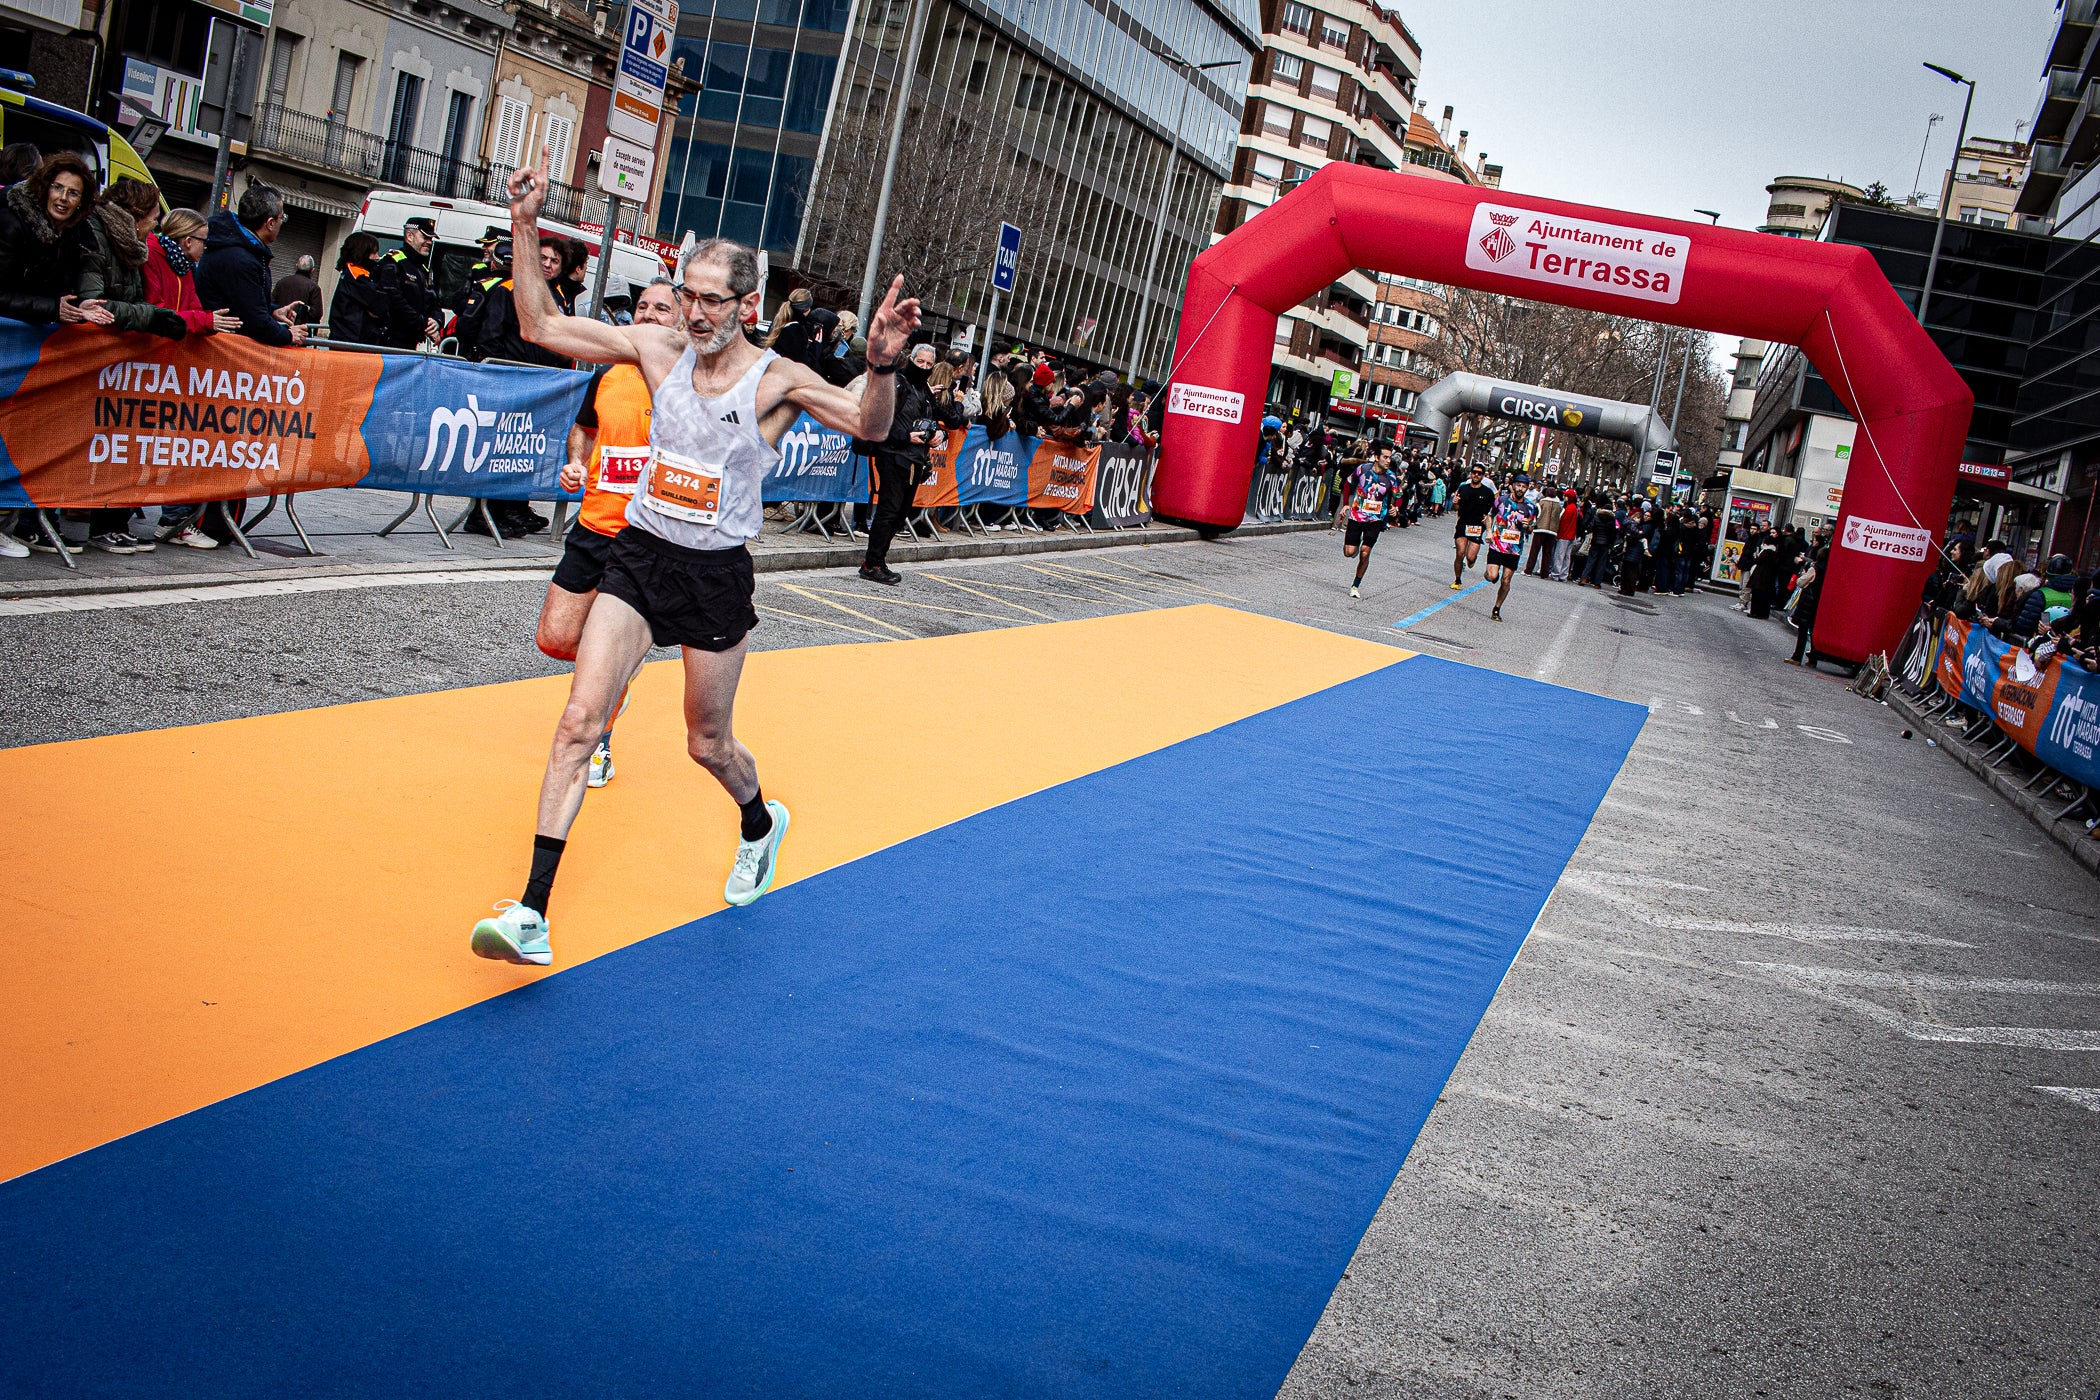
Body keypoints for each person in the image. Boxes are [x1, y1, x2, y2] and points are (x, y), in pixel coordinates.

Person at [466, 154, 920, 967]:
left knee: (706, 744)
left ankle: (758, 822)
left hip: (715, 574)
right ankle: (531, 913)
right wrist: (526, 226)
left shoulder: (777, 377)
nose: (697, 310)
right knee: (579, 721)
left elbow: (868, 425)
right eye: (688, 291)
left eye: (714, 298)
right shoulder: (654, 346)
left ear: (748, 303)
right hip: (639, 557)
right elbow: (541, 328)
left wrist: (882, 362)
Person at [542, 277, 684, 788]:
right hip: (592, 525)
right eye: (642, 306)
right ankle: (613, 675)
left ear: (682, 320)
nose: (647, 315)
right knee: (556, 638)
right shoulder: (609, 371)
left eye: (661, 309)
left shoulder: (687, 381)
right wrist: (576, 464)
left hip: (646, 540)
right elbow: (584, 430)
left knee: (606, 650)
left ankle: (598, 733)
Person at [142, 209, 240, 550]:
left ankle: (174, 520)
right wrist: (205, 321)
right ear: (187, 241)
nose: (205, 248)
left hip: (174, 369)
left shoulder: (186, 267)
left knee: (176, 446)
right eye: (203, 241)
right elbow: (159, 311)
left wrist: (205, 321)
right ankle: (156, 519)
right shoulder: (154, 256)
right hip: (150, 365)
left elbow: (194, 309)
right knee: (143, 444)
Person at [857, 340, 963, 584]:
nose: (924, 366)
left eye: (929, 363)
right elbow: (878, 420)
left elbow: (934, 419)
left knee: (899, 513)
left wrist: (939, 434)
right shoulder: (897, 383)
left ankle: (878, 560)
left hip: (915, 459)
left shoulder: (924, 390)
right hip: (893, 454)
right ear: (911, 360)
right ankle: (872, 563)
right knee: (888, 510)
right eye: (920, 362)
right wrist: (905, 436)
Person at [0, 152, 108, 326]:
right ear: (45, 189)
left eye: (73, 193)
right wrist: (53, 308)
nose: (63, 198)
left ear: (81, 201)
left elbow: (57, 294)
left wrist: (79, 305)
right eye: (57, 187)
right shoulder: (11, 224)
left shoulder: (73, 235)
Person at [195, 182, 304, 346]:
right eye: (282, 217)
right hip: (223, 348)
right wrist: (288, 335)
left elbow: (246, 302)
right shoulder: (240, 259)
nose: (282, 222)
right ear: (270, 223)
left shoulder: (245, 249)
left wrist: (273, 310)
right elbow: (253, 320)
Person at [1341, 440, 1400, 598]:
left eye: (1390, 458)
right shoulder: (1363, 469)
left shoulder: (1391, 478)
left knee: (1365, 553)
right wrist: (1346, 504)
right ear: (1376, 457)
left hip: (1376, 519)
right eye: (1385, 457)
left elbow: (1397, 496)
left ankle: (1355, 585)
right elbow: (1348, 484)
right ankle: (1356, 543)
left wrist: (1395, 509)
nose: (1388, 461)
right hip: (1356, 515)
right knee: (1349, 552)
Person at [377, 216, 440, 348]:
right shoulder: (393, 262)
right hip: (390, 339)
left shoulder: (423, 269)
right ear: (409, 236)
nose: (429, 242)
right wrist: (422, 324)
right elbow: (394, 300)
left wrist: (436, 321)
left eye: (431, 239)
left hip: (411, 341)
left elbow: (433, 302)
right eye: (425, 237)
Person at [327, 231, 392, 345]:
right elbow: (379, 305)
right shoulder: (356, 275)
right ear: (364, 252)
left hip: (353, 340)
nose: (377, 257)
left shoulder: (356, 273)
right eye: (375, 253)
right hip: (352, 343)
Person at [1449, 461, 1496, 589]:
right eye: (1474, 472)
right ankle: (1457, 580)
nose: (1476, 475)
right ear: (1470, 474)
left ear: (1483, 476)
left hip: (1476, 527)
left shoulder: (1488, 493)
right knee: (1460, 553)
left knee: (1470, 557)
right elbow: (1455, 508)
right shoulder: (1463, 488)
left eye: (1479, 473)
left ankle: (1471, 561)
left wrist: (1488, 529)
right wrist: (1455, 502)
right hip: (1463, 524)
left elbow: (1490, 513)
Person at [1787, 543, 1828, 666]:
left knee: (1803, 631)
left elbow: (1801, 582)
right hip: (1819, 603)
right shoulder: (1829, 569)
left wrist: (1804, 575)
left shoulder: (1814, 568)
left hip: (1808, 602)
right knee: (1813, 632)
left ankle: (1797, 656)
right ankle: (1813, 659)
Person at [272, 253, 324, 326]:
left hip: (279, 326)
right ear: (312, 270)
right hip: (300, 330)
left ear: (296, 267)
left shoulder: (282, 282)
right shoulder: (314, 288)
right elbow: (317, 314)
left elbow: (271, 303)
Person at [1524, 489, 1562, 576]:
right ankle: (1544, 573)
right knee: (1547, 553)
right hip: (1553, 531)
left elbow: (1535, 516)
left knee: (1534, 551)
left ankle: (1528, 570)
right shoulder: (1559, 506)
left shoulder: (1541, 503)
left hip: (1540, 529)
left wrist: (1532, 526)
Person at [1551, 487, 1580, 580]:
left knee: (1559, 555)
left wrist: (1558, 534)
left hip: (1564, 535)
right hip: (1571, 535)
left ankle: (1556, 574)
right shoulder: (1574, 508)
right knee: (1567, 556)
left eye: (1566, 496)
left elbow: (1564, 523)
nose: (1564, 497)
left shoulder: (1568, 508)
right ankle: (1563, 575)